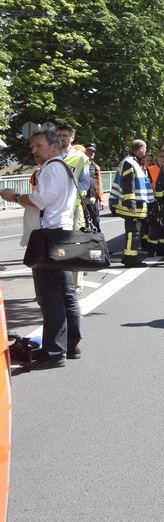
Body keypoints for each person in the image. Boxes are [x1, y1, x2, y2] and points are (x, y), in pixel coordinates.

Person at [0, 130, 81, 369]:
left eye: (38, 146)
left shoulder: (53, 168)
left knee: (51, 298)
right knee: (65, 294)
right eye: (32, 147)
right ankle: (69, 345)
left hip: (47, 238)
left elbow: (39, 200)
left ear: (54, 147)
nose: (34, 151)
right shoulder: (61, 167)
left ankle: (54, 353)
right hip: (57, 236)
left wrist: (13, 196)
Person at [111, 139, 153, 267]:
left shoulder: (133, 162)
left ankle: (129, 257)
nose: (145, 151)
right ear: (140, 149)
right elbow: (128, 184)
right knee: (133, 232)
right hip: (133, 204)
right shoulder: (129, 162)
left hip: (137, 203)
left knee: (134, 232)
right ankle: (130, 259)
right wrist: (131, 204)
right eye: (144, 149)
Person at [143, 149, 164, 256]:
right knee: (154, 226)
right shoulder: (150, 170)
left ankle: (162, 250)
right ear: (157, 158)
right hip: (154, 202)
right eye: (161, 156)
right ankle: (151, 250)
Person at [83, 142, 104, 232]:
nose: (92, 153)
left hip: (92, 198)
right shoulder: (80, 163)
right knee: (84, 222)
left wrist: (101, 199)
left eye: (93, 151)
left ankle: (96, 240)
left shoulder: (95, 166)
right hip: (82, 198)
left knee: (95, 220)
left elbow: (99, 183)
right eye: (89, 151)